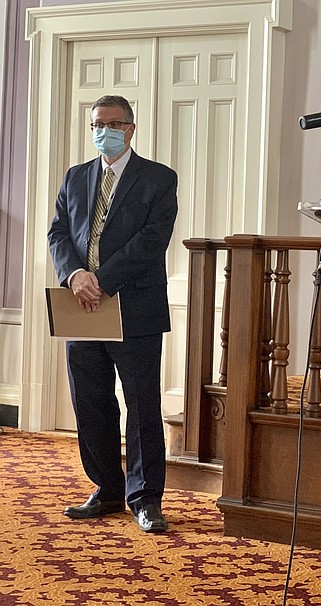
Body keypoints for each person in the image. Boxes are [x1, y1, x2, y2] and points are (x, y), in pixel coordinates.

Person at [48, 95, 178, 533]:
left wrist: (102, 279)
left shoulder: (159, 179)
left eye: (113, 124)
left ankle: (144, 498)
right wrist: (75, 276)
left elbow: (152, 239)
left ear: (131, 128)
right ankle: (106, 489)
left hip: (134, 306)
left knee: (141, 404)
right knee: (90, 401)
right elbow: (59, 231)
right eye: (97, 124)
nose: (104, 131)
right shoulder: (76, 176)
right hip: (80, 307)